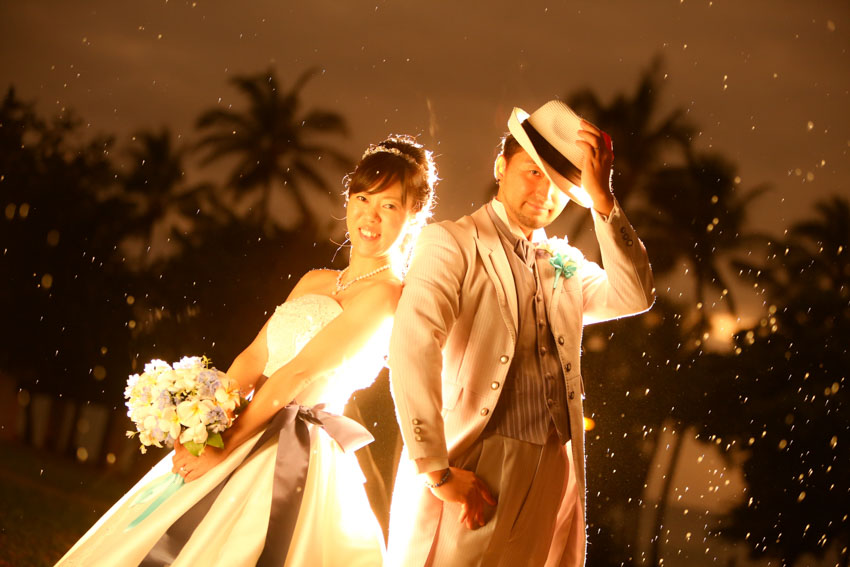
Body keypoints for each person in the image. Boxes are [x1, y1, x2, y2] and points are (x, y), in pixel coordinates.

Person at [56, 135, 437, 567]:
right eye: (362, 198)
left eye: (388, 205)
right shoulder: (315, 279)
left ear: (413, 215)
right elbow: (254, 356)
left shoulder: (387, 295)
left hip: (298, 450)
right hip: (248, 419)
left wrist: (229, 443)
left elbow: (297, 374)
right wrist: (205, 425)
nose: (370, 216)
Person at [386, 101, 655, 567]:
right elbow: (413, 348)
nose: (544, 192)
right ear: (500, 166)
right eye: (533, 172)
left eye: (558, 185)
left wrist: (603, 200)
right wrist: (436, 471)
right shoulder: (451, 242)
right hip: (473, 460)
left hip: (553, 466)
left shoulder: (564, 263)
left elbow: (635, 294)